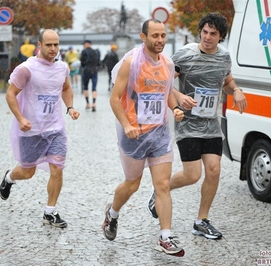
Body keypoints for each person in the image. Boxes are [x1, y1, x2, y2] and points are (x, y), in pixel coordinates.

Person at [147, 13, 247, 240]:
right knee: (193, 175)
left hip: (211, 124)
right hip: (188, 123)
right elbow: (162, 81)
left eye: (213, 34)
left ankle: (201, 221)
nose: (208, 37)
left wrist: (237, 90)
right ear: (200, 31)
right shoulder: (185, 54)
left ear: (221, 36)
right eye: (205, 32)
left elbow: (227, 81)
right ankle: (161, 189)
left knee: (214, 170)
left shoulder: (224, 57)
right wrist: (179, 95)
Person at [102, 19, 185, 257]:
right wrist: (127, 125)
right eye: (155, 36)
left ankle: (165, 236)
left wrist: (175, 108)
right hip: (134, 134)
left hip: (159, 134)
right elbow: (115, 98)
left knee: (162, 185)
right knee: (132, 185)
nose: (160, 40)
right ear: (143, 36)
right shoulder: (132, 63)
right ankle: (113, 213)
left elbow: (166, 92)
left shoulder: (168, 64)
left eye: (163, 36)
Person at [0, 29, 81, 228]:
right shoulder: (26, 68)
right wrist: (20, 118)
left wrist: (69, 107)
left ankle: (49, 212)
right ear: (39, 44)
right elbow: (11, 94)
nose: (53, 49)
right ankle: (9, 178)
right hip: (32, 129)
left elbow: (66, 88)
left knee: (57, 168)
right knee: (28, 173)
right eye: (49, 45)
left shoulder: (62, 68)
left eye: (56, 45)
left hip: (55, 128)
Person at [80, 40, 100, 111]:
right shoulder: (96, 52)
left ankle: (88, 103)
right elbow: (98, 62)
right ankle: (94, 103)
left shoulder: (84, 51)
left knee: (85, 87)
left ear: (86, 44)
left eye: (84, 44)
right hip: (94, 71)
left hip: (86, 71)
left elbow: (82, 62)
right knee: (94, 87)